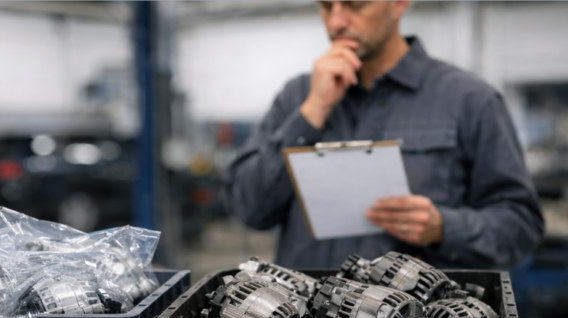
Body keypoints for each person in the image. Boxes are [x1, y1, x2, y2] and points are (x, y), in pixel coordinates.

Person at [227, 1, 544, 269]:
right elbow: (250, 209)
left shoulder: (469, 100)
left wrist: (443, 228)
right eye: (326, 5)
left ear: (400, 3)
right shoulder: (298, 97)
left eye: (355, 4)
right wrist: (312, 112)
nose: (336, 21)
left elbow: (521, 226)